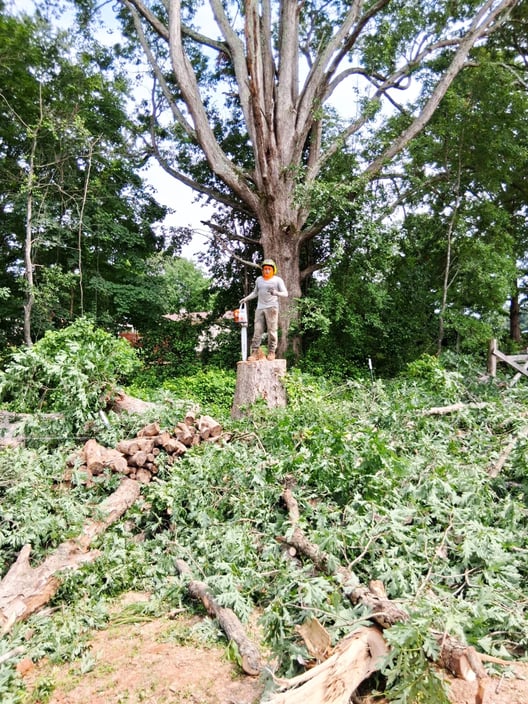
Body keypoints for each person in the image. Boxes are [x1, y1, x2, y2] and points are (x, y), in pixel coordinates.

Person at [241, 259, 288, 361]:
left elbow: (285, 293)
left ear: (273, 270)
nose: (266, 271)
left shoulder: (277, 280)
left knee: (272, 331)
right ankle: (254, 352)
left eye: (269, 269)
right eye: (265, 269)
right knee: (257, 330)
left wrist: (276, 293)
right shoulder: (259, 280)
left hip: (272, 308)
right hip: (260, 307)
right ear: (262, 270)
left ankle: (271, 351)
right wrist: (246, 299)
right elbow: (255, 292)